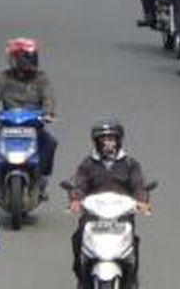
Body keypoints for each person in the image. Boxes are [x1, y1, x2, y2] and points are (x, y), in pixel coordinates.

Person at [67, 120, 151, 284]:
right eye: (104, 140)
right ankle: (82, 280)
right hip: (93, 215)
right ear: (96, 142)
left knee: (133, 243)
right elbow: (80, 184)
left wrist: (142, 202)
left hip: (122, 216)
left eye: (112, 139)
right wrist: (76, 200)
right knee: (77, 238)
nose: (108, 143)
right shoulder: (87, 164)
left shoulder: (130, 164)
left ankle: (131, 281)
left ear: (119, 141)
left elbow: (138, 186)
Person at [0, 39, 58, 193]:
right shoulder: (3, 77)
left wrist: (48, 112)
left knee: (50, 144)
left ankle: (40, 178)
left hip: (33, 124)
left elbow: (49, 98)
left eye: (32, 57)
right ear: (14, 59)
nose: (30, 61)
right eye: (25, 57)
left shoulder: (41, 78)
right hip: (9, 125)